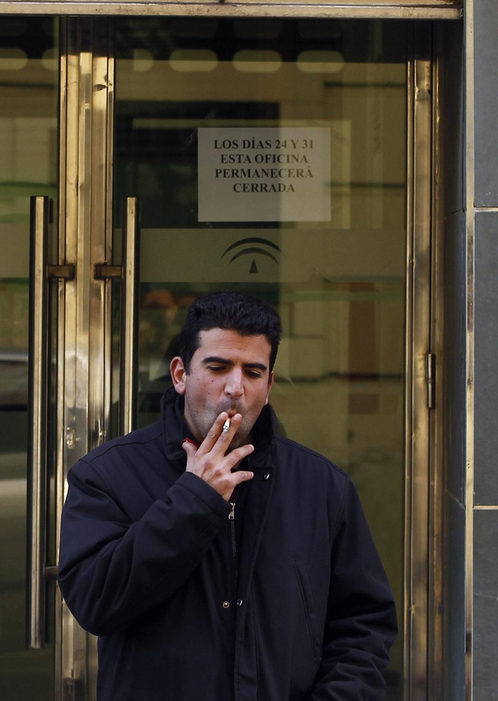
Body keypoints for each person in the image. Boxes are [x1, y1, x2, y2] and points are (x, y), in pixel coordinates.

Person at [58, 291, 397, 701]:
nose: (235, 388)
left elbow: (363, 626)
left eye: (253, 372)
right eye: (218, 367)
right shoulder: (107, 474)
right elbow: (97, 603)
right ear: (180, 374)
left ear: (269, 385)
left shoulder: (322, 485)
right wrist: (193, 499)